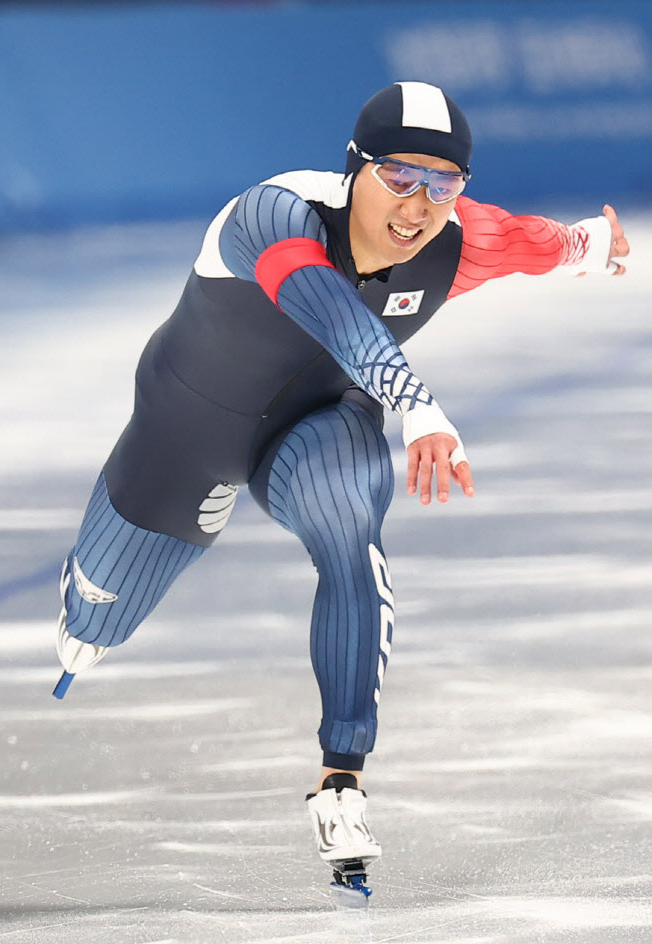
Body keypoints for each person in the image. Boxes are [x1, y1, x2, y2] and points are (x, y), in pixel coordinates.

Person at [52, 81, 629, 894]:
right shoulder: (273, 215)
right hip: (184, 436)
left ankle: (341, 780)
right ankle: (93, 604)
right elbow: (335, 315)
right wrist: (421, 407)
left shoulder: (461, 239)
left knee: (351, 531)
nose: (419, 205)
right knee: (89, 632)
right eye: (399, 176)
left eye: (444, 182)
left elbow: (538, 242)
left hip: (316, 428)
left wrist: (590, 247)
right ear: (355, 168)